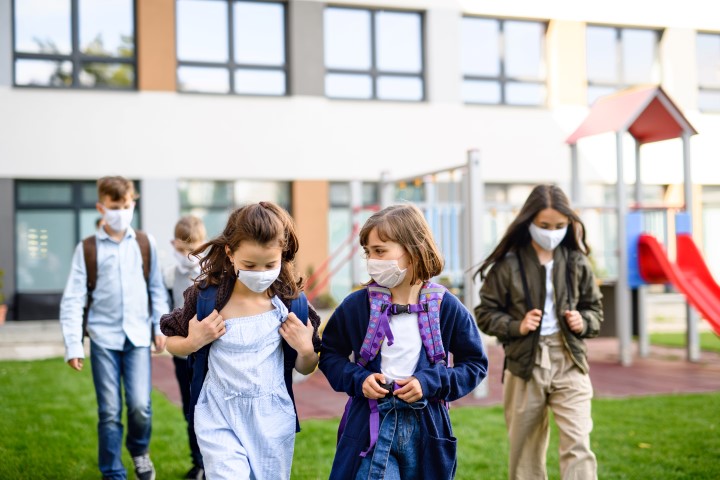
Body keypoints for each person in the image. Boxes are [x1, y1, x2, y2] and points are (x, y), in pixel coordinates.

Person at [320, 204, 488, 480]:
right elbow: (330, 354)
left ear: (412, 251)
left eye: (380, 251)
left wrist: (429, 383)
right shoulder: (356, 306)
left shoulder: (446, 307)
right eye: (368, 252)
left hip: (427, 430)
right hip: (370, 427)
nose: (372, 259)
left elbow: (474, 364)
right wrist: (358, 379)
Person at [159, 202, 321, 480]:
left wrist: (305, 349)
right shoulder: (206, 297)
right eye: (249, 265)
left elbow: (307, 367)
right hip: (218, 414)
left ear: (282, 255)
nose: (260, 273)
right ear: (230, 253)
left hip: (273, 419)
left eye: (270, 264)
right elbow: (169, 339)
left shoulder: (291, 302)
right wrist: (192, 342)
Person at [474, 184, 603, 480]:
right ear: (529, 221)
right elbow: (485, 313)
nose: (552, 232)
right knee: (525, 452)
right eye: (544, 225)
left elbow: (594, 309)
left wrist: (583, 322)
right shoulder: (507, 265)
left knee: (579, 443)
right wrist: (516, 326)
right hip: (524, 364)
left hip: (569, 360)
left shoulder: (577, 262)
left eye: (559, 225)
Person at [60, 176, 170, 480]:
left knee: (140, 406)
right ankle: (113, 472)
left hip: (137, 338)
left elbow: (157, 290)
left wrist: (160, 326)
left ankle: (139, 450)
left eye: (126, 205)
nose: (121, 211)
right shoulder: (87, 249)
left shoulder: (146, 244)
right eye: (114, 206)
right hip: (103, 339)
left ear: (133, 204)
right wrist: (72, 344)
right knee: (109, 411)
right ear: (101, 207)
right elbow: (73, 299)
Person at [166, 215, 207, 480]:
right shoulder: (170, 275)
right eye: (182, 251)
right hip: (182, 353)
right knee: (189, 409)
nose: (187, 256)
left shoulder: (211, 275)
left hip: (207, 355)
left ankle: (211, 462)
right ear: (173, 245)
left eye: (193, 250)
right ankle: (198, 462)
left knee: (207, 409)